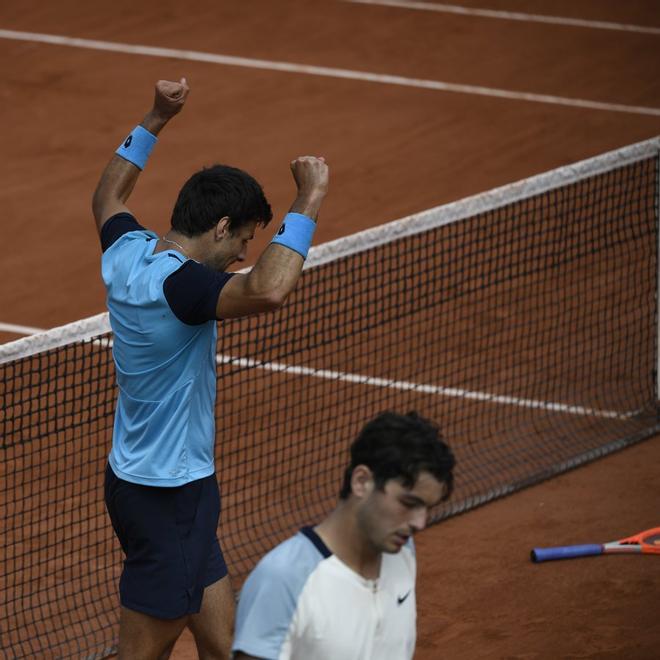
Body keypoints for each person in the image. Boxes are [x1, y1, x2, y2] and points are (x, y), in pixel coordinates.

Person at [91, 77, 329, 660]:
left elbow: (108, 198)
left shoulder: (127, 252)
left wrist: (155, 116)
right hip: (170, 492)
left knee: (223, 643)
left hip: (139, 480)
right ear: (221, 226)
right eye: (245, 239)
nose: (246, 253)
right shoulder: (185, 288)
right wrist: (307, 201)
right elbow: (269, 290)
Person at [232, 411, 455, 660]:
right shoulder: (285, 579)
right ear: (361, 481)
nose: (420, 523)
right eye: (408, 502)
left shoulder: (403, 551)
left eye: (427, 508)